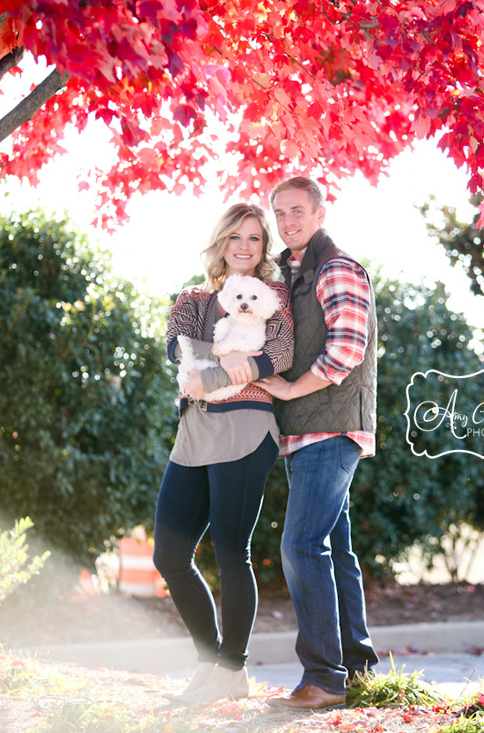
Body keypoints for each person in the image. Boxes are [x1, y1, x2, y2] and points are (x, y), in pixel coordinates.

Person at [153, 203, 293, 705]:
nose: (244, 246)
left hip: (247, 427)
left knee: (233, 552)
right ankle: (211, 661)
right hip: (194, 430)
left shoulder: (273, 294)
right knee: (168, 554)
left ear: (263, 248)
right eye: (236, 237)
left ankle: (233, 669)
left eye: (255, 239)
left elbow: (278, 354)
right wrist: (228, 361)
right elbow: (176, 347)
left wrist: (221, 367)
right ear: (221, 241)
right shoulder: (193, 296)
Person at [257, 176, 378, 711]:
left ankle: (324, 678)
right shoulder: (294, 270)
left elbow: (347, 348)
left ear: (321, 211)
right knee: (336, 549)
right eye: (280, 213)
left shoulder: (335, 268)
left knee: (301, 544)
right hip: (305, 429)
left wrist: (290, 387)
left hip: (328, 428)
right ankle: (357, 668)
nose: (288, 222)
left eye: (298, 211)